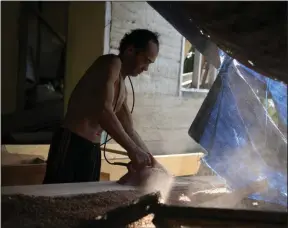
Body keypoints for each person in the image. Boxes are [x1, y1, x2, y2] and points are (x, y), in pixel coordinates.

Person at [43, 29, 160, 184]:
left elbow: (129, 130)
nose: (146, 68)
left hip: (92, 149)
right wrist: (133, 151)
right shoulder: (111, 63)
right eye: (146, 60)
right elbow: (103, 112)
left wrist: (151, 160)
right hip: (72, 142)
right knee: (56, 200)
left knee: (85, 201)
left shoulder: (122, 87)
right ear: (130, 50)